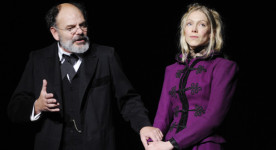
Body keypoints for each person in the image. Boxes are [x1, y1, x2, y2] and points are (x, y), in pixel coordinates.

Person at [7, 2, 163, 150]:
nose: (80, 31)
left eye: (82, 25)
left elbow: (128, 99)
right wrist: (37, 106)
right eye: (71, 28)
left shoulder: (106, 56)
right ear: (55, 33)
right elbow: (15, 108)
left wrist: (144, 125)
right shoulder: (38, 59)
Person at [147, 3, 239, 150]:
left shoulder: (223, 67)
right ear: (184, 31)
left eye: (202, 24)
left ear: (212, 32)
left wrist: (172, 144)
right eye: (189, 24)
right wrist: (152, 142)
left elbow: (213, 117)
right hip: (167, 145)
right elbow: (162, 116)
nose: (194, 29)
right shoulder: (171, 70)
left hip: (204, 144)